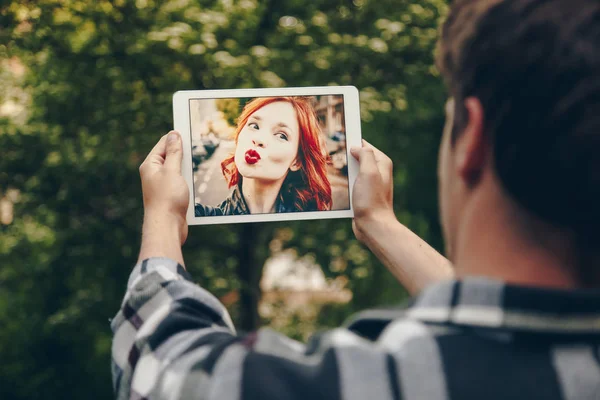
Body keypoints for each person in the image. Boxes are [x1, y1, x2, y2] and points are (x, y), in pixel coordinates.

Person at [111, 0, 600, 399]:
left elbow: (160, 368)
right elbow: (504, 321)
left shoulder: (376, 380)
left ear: (471, 138)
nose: (258, 139)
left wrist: (163, 219)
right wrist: (379, 224)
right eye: (254, 125)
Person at [194, 96, 332, 216]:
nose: (258, 139)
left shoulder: (312, 219)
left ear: (296, 161)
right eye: (254, 126)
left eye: (281, 135)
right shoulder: (195, 216)